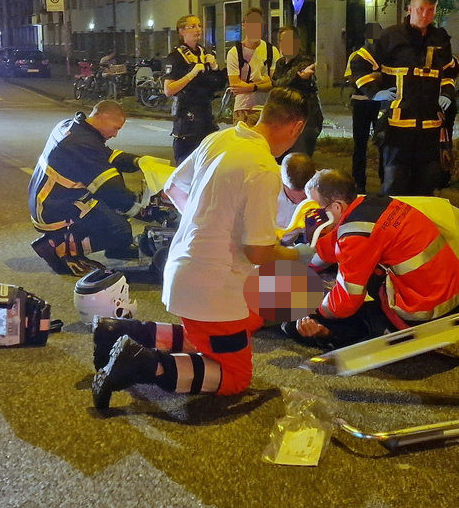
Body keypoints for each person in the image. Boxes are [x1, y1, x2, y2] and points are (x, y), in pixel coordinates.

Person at [91, 88, 310, 407]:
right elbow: (258, 252)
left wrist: (209, 225)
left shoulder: (221, 139)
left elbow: (173, 188)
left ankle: (124, 332)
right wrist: (296, 255)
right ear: (297, 127)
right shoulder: (264, 169)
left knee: (213, 337)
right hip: (215, 287)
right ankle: (143, 364)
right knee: (235, 378)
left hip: (184, 267)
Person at [282, 168, 459, 349]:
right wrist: (320, 237)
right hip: (454, 294)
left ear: (337, 206)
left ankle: (339, 333)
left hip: (427, 312)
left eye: (315, 206)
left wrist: (315, 310)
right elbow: (337, 248)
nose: (311, 214)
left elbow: (345, 303)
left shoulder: (356, 235)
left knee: (305, 321)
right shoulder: (374, 205)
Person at [360, 0, 458, 196]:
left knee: (426, 189)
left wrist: (447, 93)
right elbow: (358, 62)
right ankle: (393, 229)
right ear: (409, 8)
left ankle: (419, 229)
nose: (425, 15)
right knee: (395, 188)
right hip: (397, 131)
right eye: (420, 9)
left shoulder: (440, 40)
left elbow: (450, 72)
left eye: (430, 10)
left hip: (430, 131)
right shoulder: (391, 37)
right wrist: (374, 92)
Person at [27, 100, 142, 273]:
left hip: (50, 199)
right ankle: (57, 247)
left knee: (115, 213)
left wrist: (139, 162)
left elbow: (107, 156)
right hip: (54, 207)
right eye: (116, 128)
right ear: (102, 117)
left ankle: (118, 247)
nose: (115, 134)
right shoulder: (82, 142)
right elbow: (112, 190)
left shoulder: (72, 127)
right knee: (119, 229)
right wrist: (140, 207)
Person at [163, 15, 221, 163]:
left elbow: (218, 85)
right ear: (182, 31)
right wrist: (191, 74)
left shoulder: (204, 53)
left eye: (199, 26)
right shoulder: (175, 57)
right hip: (187, 122)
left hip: (206, 119)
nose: (198, 29)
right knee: (186, 167)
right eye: (193, 26)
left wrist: (215, 68)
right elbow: (168, 90)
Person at [271, 25, 323, 156]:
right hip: (285, 119)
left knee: (299, 162)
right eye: (284, 40)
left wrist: (276, 82)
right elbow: (279, 85)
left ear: (298, 42)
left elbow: (280, 83)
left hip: (306, 120)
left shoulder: (305, 61)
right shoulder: (280, 63)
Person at [225, 8, 277, 124]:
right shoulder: (235, 52)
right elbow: (236, 85)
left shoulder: (271, 51)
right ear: (244, 25)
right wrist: (263, 82)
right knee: (243, 141)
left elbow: (274, 82)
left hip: (267, 109)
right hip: (243, 109)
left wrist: (251, 87)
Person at [345, 32, 383, 191]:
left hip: (380, 104)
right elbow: (350, 78)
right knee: (360, 145)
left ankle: (385, 181)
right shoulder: (357, 56)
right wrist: (372, 77)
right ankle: (358, 183)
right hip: (361, 104)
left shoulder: (385, 56)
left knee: (383, 143)